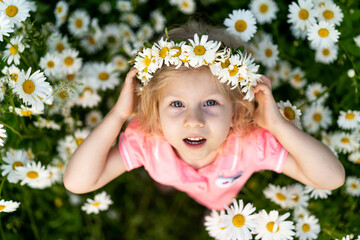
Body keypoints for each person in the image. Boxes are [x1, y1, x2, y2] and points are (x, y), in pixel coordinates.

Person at [63, 21, 345, 210]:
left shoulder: (253, 143)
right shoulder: (146, 142)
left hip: (225, 198)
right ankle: (169, 185)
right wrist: (119, 114)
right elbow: (78, 182)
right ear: (155, 114)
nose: (193, 120)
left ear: (236, 111)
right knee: (165, 178)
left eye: (210, 102)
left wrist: (277, 125)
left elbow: (331, 179)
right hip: (166, 171)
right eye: (176, 104)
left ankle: (206, 203)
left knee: (218, 206)